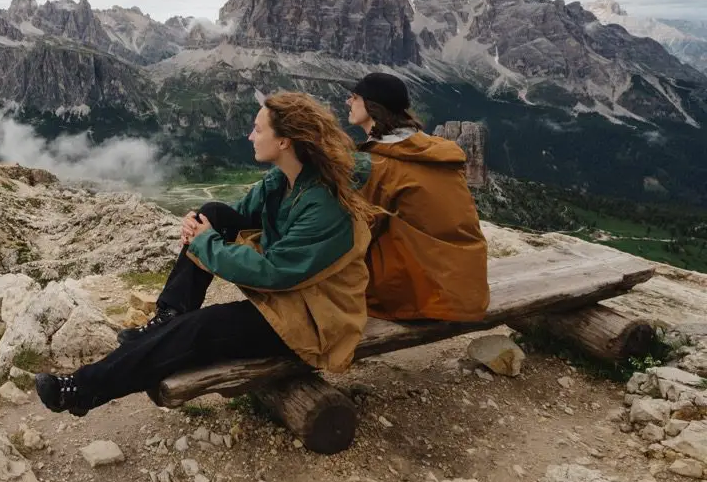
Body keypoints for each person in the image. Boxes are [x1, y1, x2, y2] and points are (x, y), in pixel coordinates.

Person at [34, 92, 376, 417]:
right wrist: (202, 226)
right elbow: (234, 216)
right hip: (296, 293)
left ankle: (81, 389)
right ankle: (168, 315)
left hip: (315, 316)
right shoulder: (284, 179)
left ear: (285, 141)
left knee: (199, 328)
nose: (249, 136)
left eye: (258, 129)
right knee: (212, 212)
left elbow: (275, 272)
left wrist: (204, 242)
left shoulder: (324, 204)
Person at [345, 72, 489, 322]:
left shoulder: (380, 164)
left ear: (371, 105)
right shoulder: (434, 151)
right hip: (468, 289)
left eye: (354, 96)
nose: (348, 102)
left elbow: (357, 228)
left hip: (427, 299)